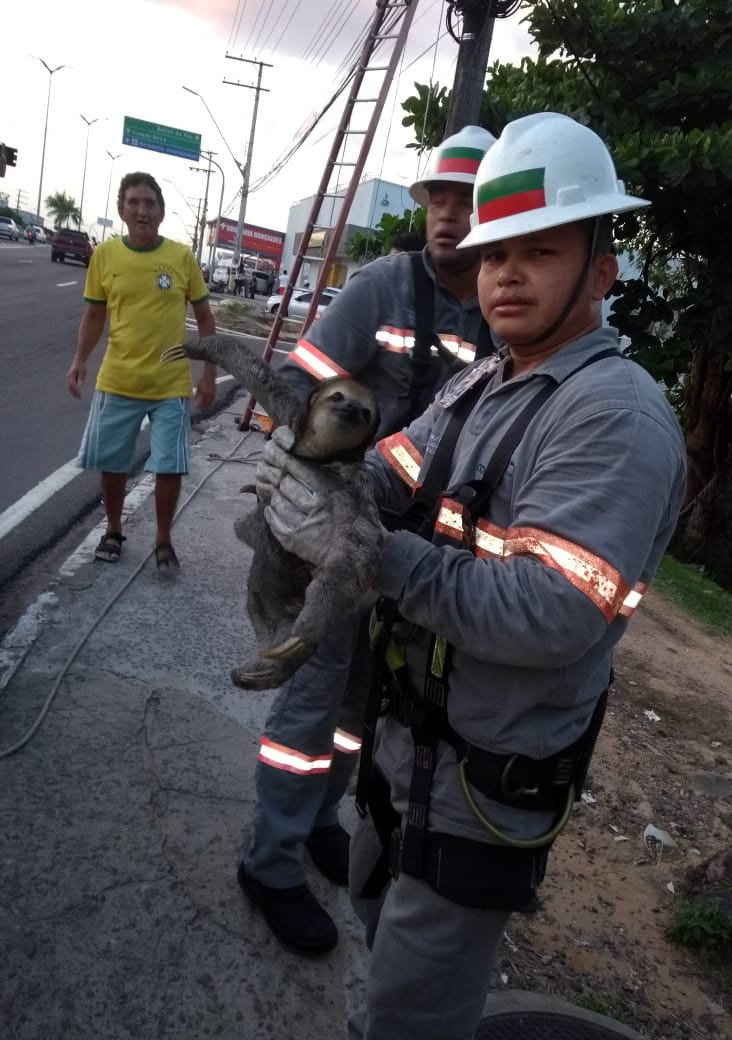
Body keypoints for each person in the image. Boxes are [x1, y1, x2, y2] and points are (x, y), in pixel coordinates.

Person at [257, 112, 687, 1037]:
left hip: (485, 778)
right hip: (409, 739)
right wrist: (321, 478)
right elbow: (393, 469)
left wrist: (371, 551)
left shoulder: (612, 417)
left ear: (602, 270)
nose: (505, 273)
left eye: (538, 250)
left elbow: (551, 613)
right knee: (384, 938)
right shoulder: (487, 381)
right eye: (495, 254)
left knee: (414, 1008)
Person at [235, 125, 497, 955]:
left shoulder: (498, 310)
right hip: (338, 537)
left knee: (362, 709)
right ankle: (269, 862)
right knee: (310, 702)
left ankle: (318, 822)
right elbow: (301, 393)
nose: (449, 215)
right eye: (439, 199)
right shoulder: (383, 286)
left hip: (416, 555)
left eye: (469, 200)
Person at [66, 171, 217, 569]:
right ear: (122, 210)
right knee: (113, 465)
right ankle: (113, 529)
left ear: (162, 213)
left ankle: (163, 540)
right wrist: (80, 359)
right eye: (133, 202)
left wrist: (208, 374)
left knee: (170, 466)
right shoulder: (105, 256)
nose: (142, 210)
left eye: (150, 203)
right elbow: (95, 313)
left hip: (170, 385)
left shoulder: (181, 257)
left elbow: (204, 318)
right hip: (118, 380)